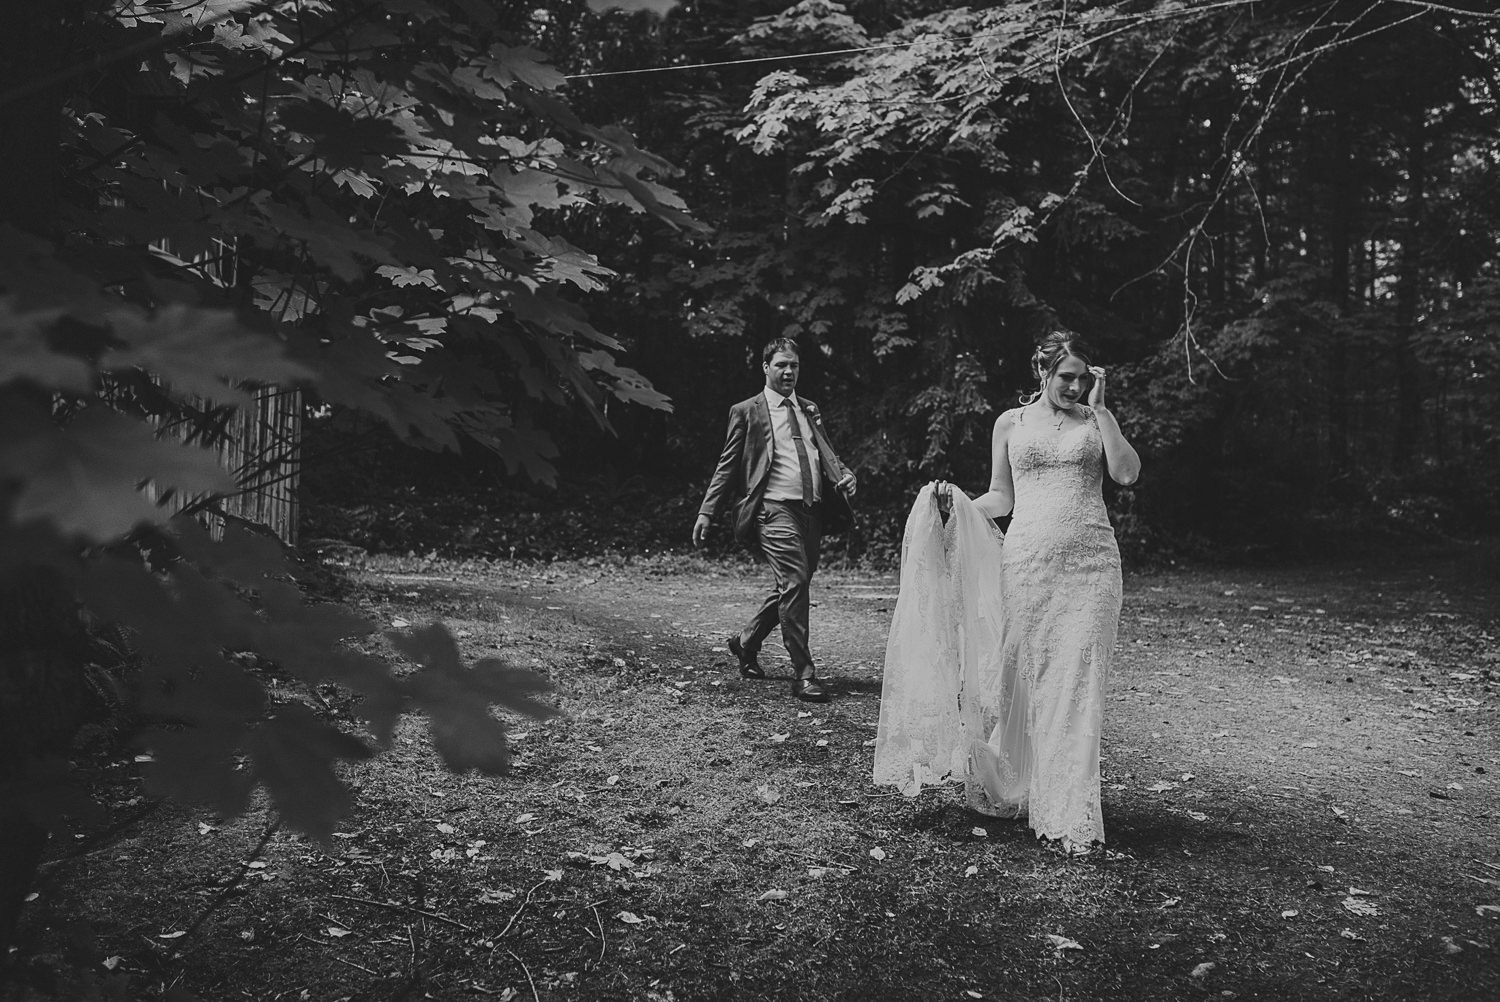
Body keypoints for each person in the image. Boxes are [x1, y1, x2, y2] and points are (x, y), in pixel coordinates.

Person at [874, 330, 1140, 855]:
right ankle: (1022, 782)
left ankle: (1069, 812)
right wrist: (957, 506)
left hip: (1091, 566)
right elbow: (1002, 496)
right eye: (1066, 377)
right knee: (1027, 681)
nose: (1075, 385)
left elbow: (1126, 474)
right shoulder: (1010, 424)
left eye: (1083, 378)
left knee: (1079, 680)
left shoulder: (1094, 422)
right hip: (1027, 564)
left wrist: (1103, 412)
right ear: (1041, 373)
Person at [692, 338, 858, 703]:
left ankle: (746, 641)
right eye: (781, 365)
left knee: (792, 584)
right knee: (796, 579)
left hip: (812, 509)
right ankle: (804, 673)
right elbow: (727, 464)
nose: (788, 372)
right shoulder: (747, 411)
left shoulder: (809, 408)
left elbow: (826, 453)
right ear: (765, 367)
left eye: (794, 366)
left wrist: (845, 474)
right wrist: (707, 510)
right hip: (772, 509)